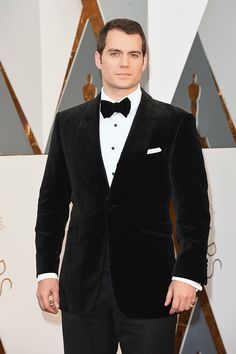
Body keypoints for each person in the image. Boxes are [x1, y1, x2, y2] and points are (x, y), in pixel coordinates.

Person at [35, 18, 210, 354]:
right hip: (81, 286)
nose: (125, 62)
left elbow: (194, 210)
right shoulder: (67, 124)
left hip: (153, 286)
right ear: (99, 58)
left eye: (134, 54)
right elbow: (52, 204)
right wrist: (45, 271)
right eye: (115, 53)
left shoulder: (175, 124)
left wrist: (188, 275)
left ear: (144, 61)